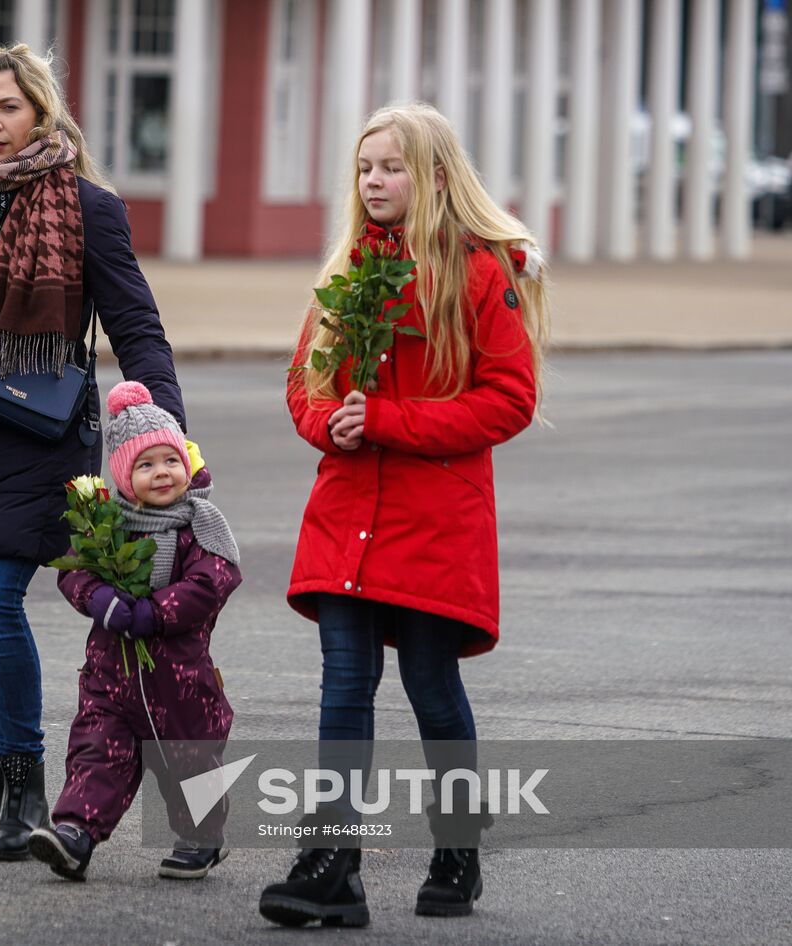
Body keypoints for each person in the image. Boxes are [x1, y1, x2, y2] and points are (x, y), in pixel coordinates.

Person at [257, 103, 550, 926]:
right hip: (348, 506)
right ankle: (332, 864)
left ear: (435, 178)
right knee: (344, 680)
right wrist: (331, 423)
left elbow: (509, 400)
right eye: (364, 168)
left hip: (435, 520)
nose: (374, 182)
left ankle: (458, 846)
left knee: (429, 678)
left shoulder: (479, 273)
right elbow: (305, 385)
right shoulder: (348, 268)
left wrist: (388, 421)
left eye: (390, 167)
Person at [0, 44, 184, 861]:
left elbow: (137, 328)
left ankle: (27, 787)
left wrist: (167, 431)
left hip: (40, 435)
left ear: (41, 112)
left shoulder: (88, 207)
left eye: (7, 108)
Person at [26, 381, 241, 882]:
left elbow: (212, 581)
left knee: (190, 759)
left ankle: (201, 837)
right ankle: (75, 833)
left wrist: (155, 613)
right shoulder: (107, 523)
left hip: (180, 678)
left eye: (169, 460)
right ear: (124, 478)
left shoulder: (200, 525)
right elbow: (74, 571)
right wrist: (99, 598)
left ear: (185, 463)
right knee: (97, 749)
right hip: (112, 673)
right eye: (145, 466)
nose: (160, 473)